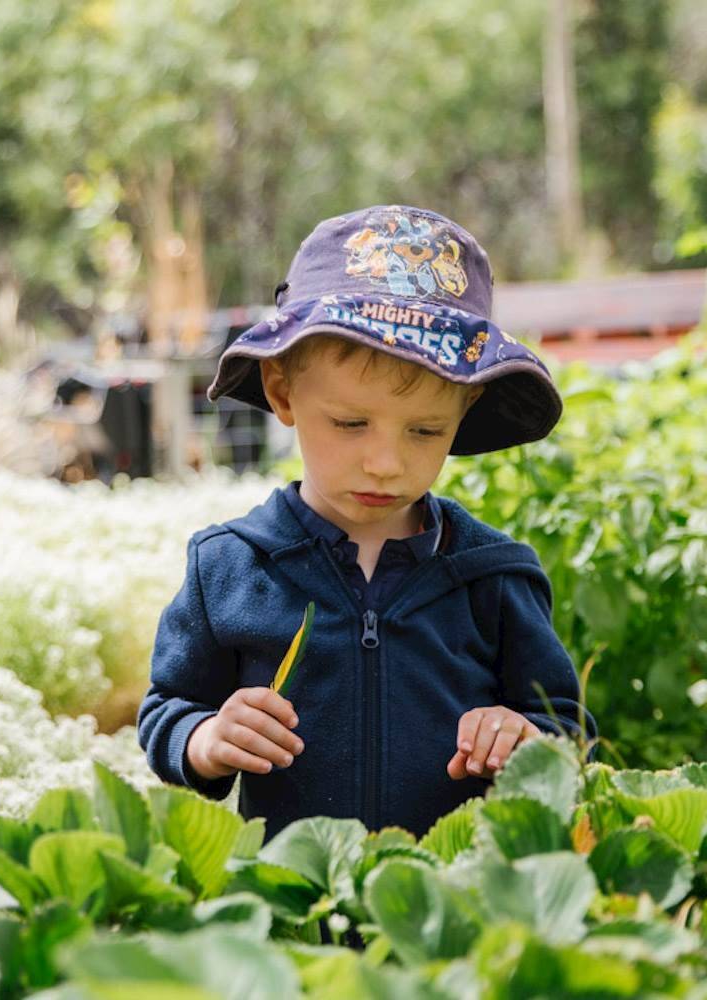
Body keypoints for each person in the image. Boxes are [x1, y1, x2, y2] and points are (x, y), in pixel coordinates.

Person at [139, 205, 594, 837]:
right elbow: (168, 709)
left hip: (450, 901)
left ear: (466, 410)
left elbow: (564, 727)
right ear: (281, 390)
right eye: (351, 424)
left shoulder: (494, 578)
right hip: (299, 900)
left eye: (425, 431)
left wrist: (525, 737)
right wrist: (206, 738)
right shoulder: (232, 567)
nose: (385, 463)